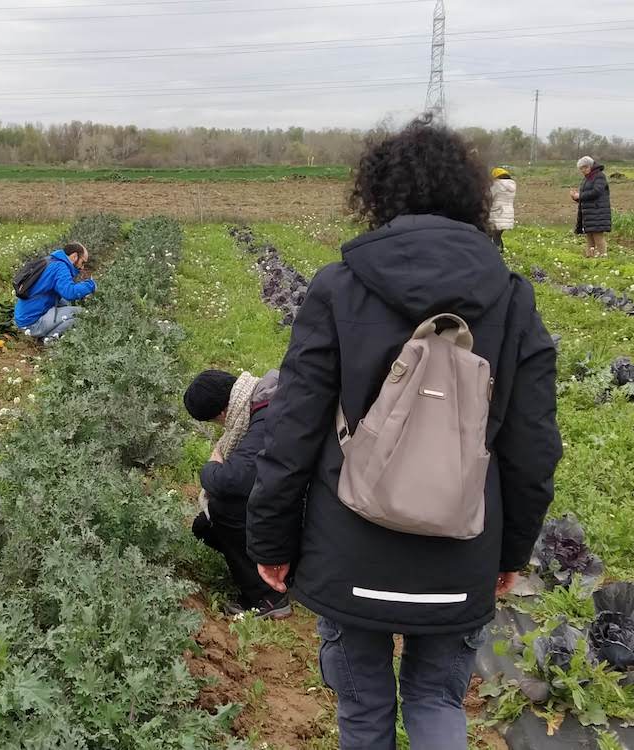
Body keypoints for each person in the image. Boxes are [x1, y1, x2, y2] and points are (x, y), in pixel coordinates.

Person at [247, 117, 562, 750]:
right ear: (466, 195)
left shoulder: (340, 287)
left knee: (362, 712)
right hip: (462, 543)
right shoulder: (511, 298)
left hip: (348, 545)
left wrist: (271, 537)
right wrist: (511, 553)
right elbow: (532, 445)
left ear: (381, 194)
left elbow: (294, 426)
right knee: (437, 701)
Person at [184, 368, 290, 619]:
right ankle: (281, 570)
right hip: (303, 496)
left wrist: (212, 467)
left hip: (312, 508)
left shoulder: (266, 416)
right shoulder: (262, 395)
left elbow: (232, 481)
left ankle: (268, 596)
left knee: (224, 509)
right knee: (205, 526)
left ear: (221, 412)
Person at [13, 242, 96, 342]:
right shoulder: (60, 267)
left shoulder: (52, 261)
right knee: (82, 314)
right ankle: (49, 340)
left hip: (24, 318)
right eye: (83, 262)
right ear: (74, 256)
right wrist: (91, 285)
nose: (82, 267)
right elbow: (70, 292)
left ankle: (46, 334)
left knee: (65, 304)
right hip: (32, 324)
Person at [571, 156, 612, 258]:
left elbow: (596, 192)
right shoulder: (587, 179)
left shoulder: (599, 176)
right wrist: (576, 197)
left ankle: (603, 259)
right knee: (589, 238)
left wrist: (580, 196)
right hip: (589, 214)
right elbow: (586, 196)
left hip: (597, 212)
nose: (582, 171)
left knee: (598, 238)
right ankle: (590, 259)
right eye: (581, 169)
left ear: (590, 166)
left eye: (584, 168)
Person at [488, 167, 516, 250]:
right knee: (497, 235)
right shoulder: (512, 185)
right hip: (508, 215)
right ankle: (499, 250)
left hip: (497, 214)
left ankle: (495, 252)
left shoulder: (496, 185)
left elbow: (489, 197)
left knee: (490, 234)